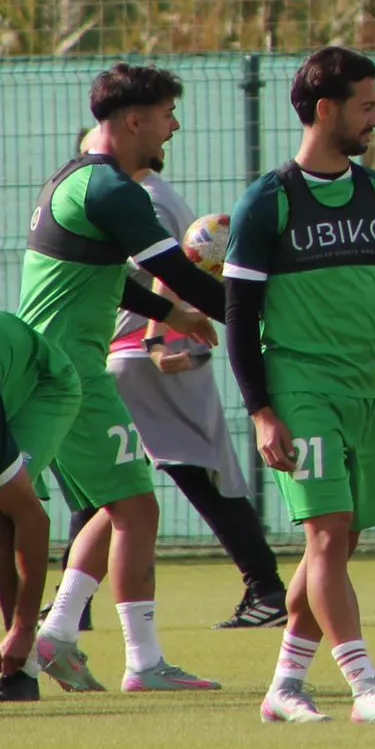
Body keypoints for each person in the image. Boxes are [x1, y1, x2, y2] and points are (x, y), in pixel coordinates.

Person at [227, 46, 375, 724]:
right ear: (328, 110)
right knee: (326, 537)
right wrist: (262, 411)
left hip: (364, 389)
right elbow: (239, 317)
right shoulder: (268, 201)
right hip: (300, 386)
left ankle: (285, 684)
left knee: (339, 545)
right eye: (367, 105)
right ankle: (363, 682)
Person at [25, 63, 225, 694]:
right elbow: (181, 271)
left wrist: (177, 315)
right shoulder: (114, 191)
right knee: (135, 506)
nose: (174, 128)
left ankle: (57, 634)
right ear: (133, 120)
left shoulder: (76, 179)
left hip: (41, 369)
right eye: (167, 115)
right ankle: (141, 663)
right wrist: (259, 316)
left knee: (117, 503)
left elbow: (117, 281)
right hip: (67, 376)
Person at [92, 147, 287, 630]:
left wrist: (158, 339)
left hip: (158, 360)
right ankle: (71, 605)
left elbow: (174, 267)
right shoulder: (144, 197)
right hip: (148, 356)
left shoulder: (145, 200)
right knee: (112, 481)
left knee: (191, 474)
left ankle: (266, 588)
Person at [0, 311, 82, 702]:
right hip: (10, 371)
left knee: (6, 514)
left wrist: (23, 625)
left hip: (43, 389)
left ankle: (21, 667)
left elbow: (33, 520)